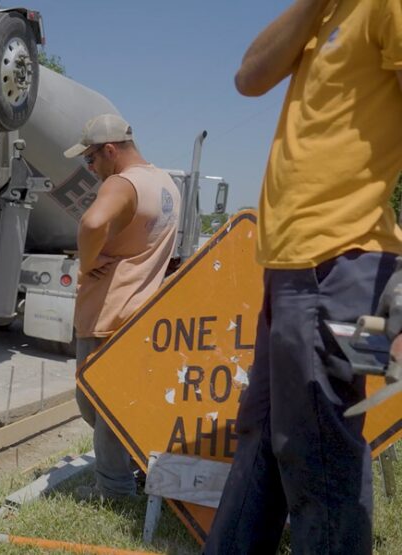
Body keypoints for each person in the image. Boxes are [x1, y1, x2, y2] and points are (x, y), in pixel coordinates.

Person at [206, 1, 402, 552]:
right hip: (292, 267)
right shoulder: (320, 14)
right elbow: (248, 78)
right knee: (264, 437)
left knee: (318, 450)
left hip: (342, 261)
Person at [63, 114, 181, 500]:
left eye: (91, 160)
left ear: (110, 150)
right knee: (117, 403)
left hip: (108, 315)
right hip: (143, 314)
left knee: (97, 403)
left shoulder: (121, 183)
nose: (91, 168)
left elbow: (93, 222)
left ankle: (113, 489)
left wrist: (85, 263)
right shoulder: (165, 184)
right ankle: (138, 465)